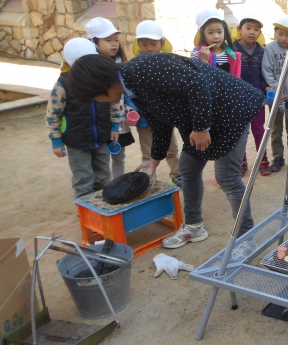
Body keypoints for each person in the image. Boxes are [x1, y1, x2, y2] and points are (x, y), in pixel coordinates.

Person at [64, 53, 265, 249]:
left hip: (230, 110)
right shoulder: (130, 86)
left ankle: (246, 237)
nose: (98, 101)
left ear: (98, 84)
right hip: (201, 118)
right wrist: (154, 161)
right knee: (187, 168)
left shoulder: (141, 70)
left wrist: (201, 128)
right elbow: (159, 122)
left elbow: (197, 83)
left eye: (93, 96)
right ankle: (194, 226)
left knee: (227, 177)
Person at [47, 38, 121, 198]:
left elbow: (115, 101)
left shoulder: (103, 79)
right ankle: (86, 212)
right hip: (76, 142)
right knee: (84, 179)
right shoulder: (62, 85)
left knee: (104, 177)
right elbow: (53, 114)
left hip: (101, 138)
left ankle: (104, 208)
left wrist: (115, 125)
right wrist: (56, 141)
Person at [132, 20, 181, 185]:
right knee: (147, 153)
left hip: (165, 118)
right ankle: (150, 181)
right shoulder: (135, 66)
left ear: (162, 42)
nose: (149, 48)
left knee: (171, 149)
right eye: (144, 44)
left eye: (153, 43)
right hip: (144, 120)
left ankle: (176, 175)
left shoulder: (168, 63)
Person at [85, 17, 134, 178]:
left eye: (116, 40)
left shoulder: (120, 63)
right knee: (101, 159)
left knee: (119, 156)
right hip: (99, 124)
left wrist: (129, 108)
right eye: (108, 40)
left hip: (118, 122)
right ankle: (103, 185)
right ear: (93, 42)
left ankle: (118, 183)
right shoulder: (89, 69)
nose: (114, 44)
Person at [261, 15, 288, 173]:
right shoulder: (271, 48)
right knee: (276, 128)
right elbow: (267, 70)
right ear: (275, 33)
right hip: (276, 95)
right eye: (280, 33)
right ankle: (278, 157)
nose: (284, 38)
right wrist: (275, 90)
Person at [233, 14, 270, 176]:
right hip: (238, 100)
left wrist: (267, 88)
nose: (252, 32)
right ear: (239, 30)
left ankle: (263, 160)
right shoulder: (232, 50)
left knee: (258, 130)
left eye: (256, 29)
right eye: (248, 28)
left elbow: (264, 75)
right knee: (240, 131)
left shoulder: (263, 52)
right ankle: (241, 161)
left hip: (257, 100)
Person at [191, 9, 241, 77]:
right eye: (210, 33)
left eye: (219, 32)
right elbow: (196, 77)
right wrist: (204, 60)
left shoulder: (231, 53)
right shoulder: (197, 53)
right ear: (203, 34)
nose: (216, 36)